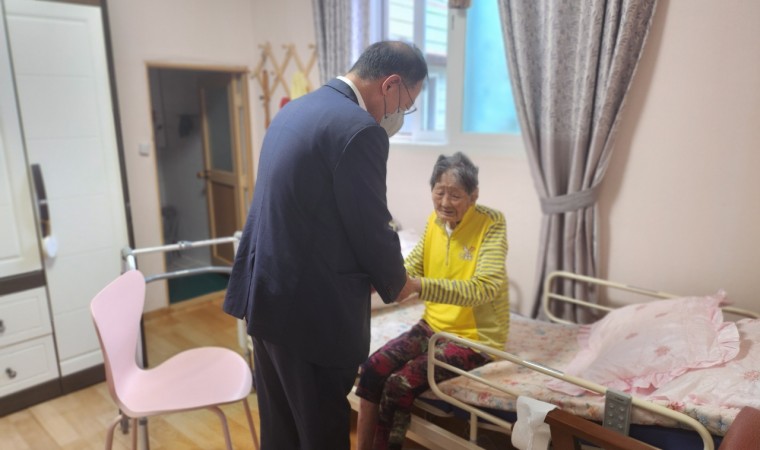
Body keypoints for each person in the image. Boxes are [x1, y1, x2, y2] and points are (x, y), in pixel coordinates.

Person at [222, 41, 428, 450]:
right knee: (321, 436)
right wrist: (397, 281)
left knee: (280, 430)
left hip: (265, 296)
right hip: (311, 317)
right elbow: (372, 224)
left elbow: (308, 212)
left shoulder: (293, 111)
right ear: (390, 85)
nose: (401, 114)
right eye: (406, 104)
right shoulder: (360, 129)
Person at [356, 152, 510, 450]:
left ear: (474, 195)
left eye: (456, 195)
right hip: (432, 326)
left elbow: (484, 288)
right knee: (373, 368)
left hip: (474, 339)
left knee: (399, 385)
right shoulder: (435, 221)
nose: (445, 202)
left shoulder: (491, 224)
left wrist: (418, 286)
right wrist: (382, 280)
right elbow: (414, 264)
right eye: (439, 192)